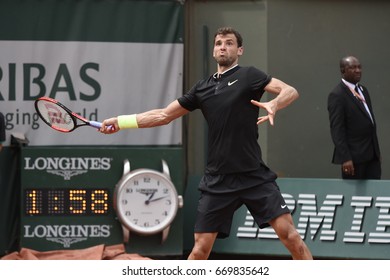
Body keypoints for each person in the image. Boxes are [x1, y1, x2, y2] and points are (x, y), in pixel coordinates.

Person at [100, 27, 312, 260]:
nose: (223, 46)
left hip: (254, 176)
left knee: (291, 237)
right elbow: (163, 115)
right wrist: (121, 122)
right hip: (217, 181)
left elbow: (289, 91)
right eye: (219, 43)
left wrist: (275, 104)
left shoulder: (250, 75)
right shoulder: (202, 89)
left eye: (229, 43)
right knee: (200, 250)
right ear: (213, 51)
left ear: (239, 50)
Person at [328, 56, 381, 179]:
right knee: (356, 197)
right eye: (352, 67)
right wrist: (345, 158)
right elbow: (337, 130)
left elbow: (369, 122)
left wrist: (376, 152)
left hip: (371, 156)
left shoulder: (363, 90)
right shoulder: (337, 95)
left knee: (373, 194)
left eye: (359, 67)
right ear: (343, 70)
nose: (357, 70)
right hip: (354, 160)